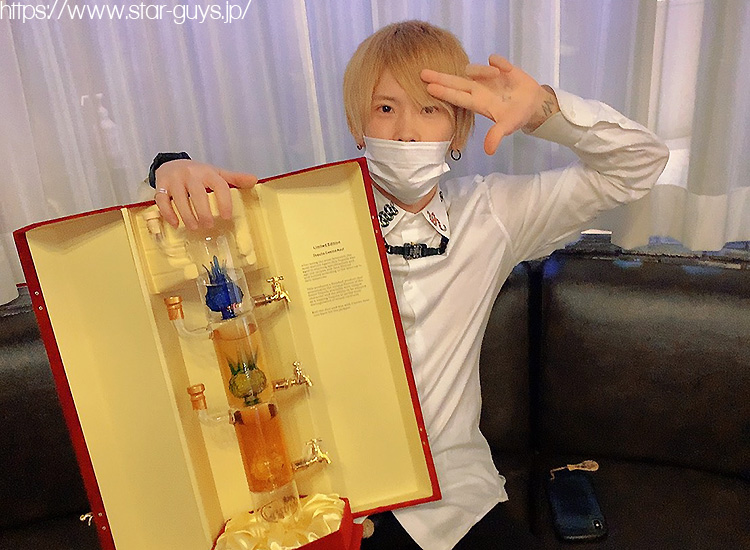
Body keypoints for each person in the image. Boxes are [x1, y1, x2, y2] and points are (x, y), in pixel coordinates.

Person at [146, 20, 668, 550]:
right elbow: (197, 258)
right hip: (333, 503)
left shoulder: (493, 214)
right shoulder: (298, 219)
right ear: (359, 126)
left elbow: (637, 166)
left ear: (458, 131)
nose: (406, 132)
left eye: (430, 109)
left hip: (455, 502)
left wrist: (542, 111)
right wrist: (170, 169)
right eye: (385, 108)